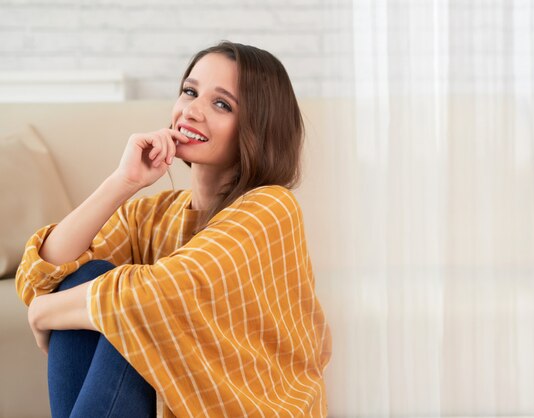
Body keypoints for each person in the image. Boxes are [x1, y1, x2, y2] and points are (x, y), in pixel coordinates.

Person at [15, 41, 332, 418]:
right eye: (190, 91)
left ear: (256, 129)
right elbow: (42, 279)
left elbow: (159, 296)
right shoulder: (152, 215)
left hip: (239, 406)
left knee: (137, 312)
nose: (192, 111)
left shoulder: (271, 208)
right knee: (89, 279)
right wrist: (123, 181)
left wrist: (42, 312)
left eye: (221, 104)